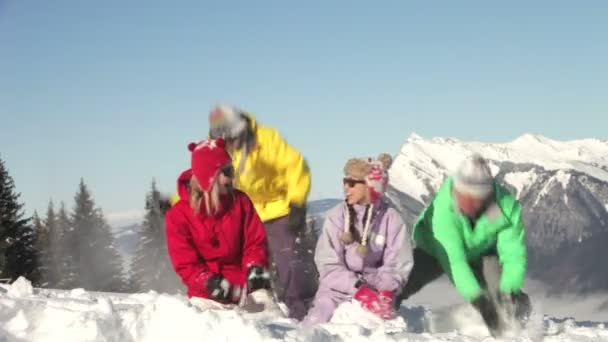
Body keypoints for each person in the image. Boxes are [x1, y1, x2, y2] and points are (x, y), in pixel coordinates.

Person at [397, 153, 531, 336]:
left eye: (473, 198)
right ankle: (385, 307)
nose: (465, 202)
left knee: (503, 298)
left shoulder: (505, 208)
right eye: (462, 195)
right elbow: (455, 262)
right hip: (434, 250)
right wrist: (480, 302)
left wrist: (509, 290)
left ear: (485, 196)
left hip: (482, 253)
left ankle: (518, 315)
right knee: (404, 279)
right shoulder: (444, 211)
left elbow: (513, 254)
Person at [207, 104, 315, 320]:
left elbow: (295, 166)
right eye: (226, 141)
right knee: (251, 265)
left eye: (233, 139)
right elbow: (206, 180)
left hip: (280, 207)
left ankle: (302, 314)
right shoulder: (220, 150)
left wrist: (297, 201)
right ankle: (258, 316)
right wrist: (176, 202)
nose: (231, 145)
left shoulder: (266, 140)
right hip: (247, 211)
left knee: (290, 265)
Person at [302, 153, 414, 325]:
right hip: (336, 291)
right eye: (344, 182)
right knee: (317, 323)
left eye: (352, 183)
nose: (346, 187)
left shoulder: (391, 219)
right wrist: (357, 288)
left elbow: (397, 263)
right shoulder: (337, 216)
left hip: (377, 290)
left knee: (384, 329)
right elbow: (328, 263)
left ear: (371, 186)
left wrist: (386, 292)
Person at [164, 138, 272, 308]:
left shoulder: (240, 202)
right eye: (227, 171)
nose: (232, 176)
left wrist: (256, 270)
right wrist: (210, 283)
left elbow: (255, 243)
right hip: (206, 299)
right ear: (210, 177)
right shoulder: (177, 216)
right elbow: (186, 264)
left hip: (245, 290)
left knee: (272, 323)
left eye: (232, 169)